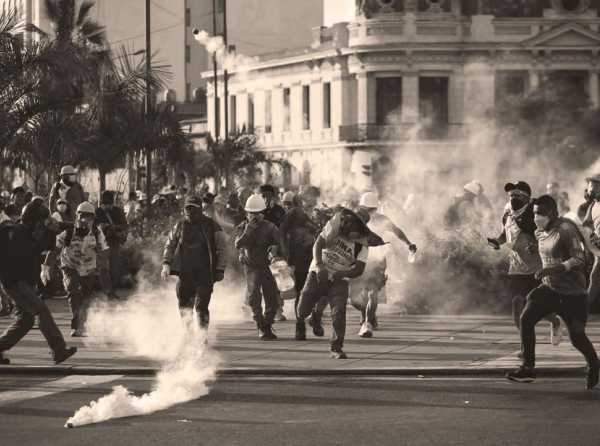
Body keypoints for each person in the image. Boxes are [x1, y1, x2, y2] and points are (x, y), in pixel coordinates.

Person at [506, 195, 599, 389]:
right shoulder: (540, 232)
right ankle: (528, 367)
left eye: (541, 213)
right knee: (527, 317)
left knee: (577, 337)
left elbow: (579, 259)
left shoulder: (566, 230)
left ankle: (593, 363)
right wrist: (534, 249)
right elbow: (546, 251)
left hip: (573, 294)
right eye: (534, 213)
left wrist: (554, 269)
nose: (536, 217)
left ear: (552, 213)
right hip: (550, 289)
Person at [296, 208, 383, 359]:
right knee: (302, 310)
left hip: (340, 279)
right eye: (350, 223)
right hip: (318, 272)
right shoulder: (335, 225)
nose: (352, 228)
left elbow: (359, 269)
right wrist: (319, 265)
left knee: (338, 312)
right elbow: (318, 244)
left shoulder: (362, 244)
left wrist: (343, 274)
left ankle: (336, 347)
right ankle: (311, 317)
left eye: (357, 227)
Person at [0, 200, 77, 364]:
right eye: (41, 225)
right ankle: (58, 350)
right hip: (15, 282)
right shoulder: (18, 234)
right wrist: (51, 232)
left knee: (26, 320)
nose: (42, 228)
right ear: (33, 223)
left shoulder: (26, 232)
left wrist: (63, 227)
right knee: (41, 311)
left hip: (21, 282)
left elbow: (44, 246)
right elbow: (34, 249)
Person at [488, 181, 562, 346]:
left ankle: (555, 321)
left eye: (518, 195)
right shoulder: (507, 212)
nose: (513, 198)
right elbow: (505, 233)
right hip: (516, 267)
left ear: (527, 197)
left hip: (536, 267)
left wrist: (536, 245)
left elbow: (549, 235)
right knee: (517, 304)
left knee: (535, 306)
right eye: (511, 195)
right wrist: (497, 242)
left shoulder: (534, 213)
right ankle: (525, 345)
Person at [42, 202, 111, 337]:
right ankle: (76, 325)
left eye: (89, 217)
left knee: (86, 296)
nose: (85, 220)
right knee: (73, 290)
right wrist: (46, 268)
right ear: (76, 216)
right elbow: (54, 249)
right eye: (82, 216)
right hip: (69, 265)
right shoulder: (67, 232)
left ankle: (84, 324)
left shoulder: (97, 234)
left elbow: (104, 253)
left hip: (89, 268)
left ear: (93, 219)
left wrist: (104, 272)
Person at [354, 191, 417, 338]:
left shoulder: (365, 219)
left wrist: (408, 243)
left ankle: (367, 321)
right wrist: (408, 243)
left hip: (370, 259)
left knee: (368, 292)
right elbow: (398, 231)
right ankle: (368, 320)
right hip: (369, 259)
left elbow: (397, 231)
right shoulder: (370, 219)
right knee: (366, 293)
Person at [161, 196, 227, 328]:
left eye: (193, 208)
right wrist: (166, 264)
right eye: (187, 208)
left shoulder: (212, 226)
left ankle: (202, 337)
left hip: (205, 274)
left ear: (200, 209)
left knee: (201, 307)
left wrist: (220, 268)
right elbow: (170, 245)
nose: (190, 211)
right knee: (184, 307)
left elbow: (222, 249)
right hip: (185, 274)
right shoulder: (179, 225)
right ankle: (189, 335)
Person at [235, 194, 283, 340]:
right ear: (246, 213)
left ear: (262, 213)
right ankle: (260, 324)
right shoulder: (242, 227)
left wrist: (275, 249)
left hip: (268, 267)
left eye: (257, 213)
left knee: (272, 297)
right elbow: (238, 244)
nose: (254, 216)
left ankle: (267, 325)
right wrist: (249, 229)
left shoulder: (270, 227)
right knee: (253, 297)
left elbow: (281, 245)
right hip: (251, 267)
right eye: (251, 213)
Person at [280, 190, 323, 340]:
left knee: (318, 291)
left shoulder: (318, 213)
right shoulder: (295, 213)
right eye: (307, 198)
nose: (310, 201)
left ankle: (314, 318)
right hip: (300, 259)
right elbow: (282, 233)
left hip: (315, 259)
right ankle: (300, 325)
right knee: (302, 292)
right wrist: (286, 256)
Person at [260, 184, 287, 321]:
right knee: (264, 281)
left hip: (277, 250)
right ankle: (265, 309)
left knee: (279, 280)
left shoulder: (279, 211)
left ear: (273, 196)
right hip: (261, 251)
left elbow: (284, 230)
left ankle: (278, 310)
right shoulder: (258, 211)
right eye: (263, 195)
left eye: (267, 195)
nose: (265, 198)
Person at [95, 191, 128, 291]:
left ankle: (113, 287)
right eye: (105, 204)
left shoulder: (117, 211)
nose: (107, 206)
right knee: (103, 267)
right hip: (101, 242)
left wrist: (114, 228)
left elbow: (125, 225)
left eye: (109, 204)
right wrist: (103, 227)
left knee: (115, 266)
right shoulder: (97, 212)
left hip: (114, 242)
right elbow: (94, 225)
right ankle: (105, 288)